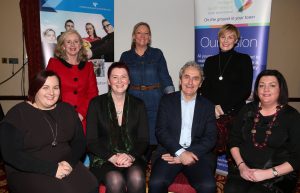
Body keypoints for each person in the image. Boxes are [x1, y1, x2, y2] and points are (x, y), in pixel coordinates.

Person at [0, 70, 98, 193]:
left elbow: (80, 141)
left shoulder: (67, 110)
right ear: (35, 89)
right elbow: (11, 155)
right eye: (45, 87)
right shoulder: (17, 114)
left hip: (64, 162)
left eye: (56, 88)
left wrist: (69, 162)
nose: (51, 93)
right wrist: (52, 169)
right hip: (29, 168)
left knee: (91, 185)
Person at [224, 69, 300, 193]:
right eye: (261, 85)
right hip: (244, 169)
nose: (266, 89)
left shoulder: (292, 116)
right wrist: (242, 166)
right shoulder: (247, 109)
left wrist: (267, 173)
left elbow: (297, 157)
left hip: (277, 175)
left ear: (280, 89)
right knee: (231, 190)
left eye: (272, 85)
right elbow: (234, 139)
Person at [149, 61, 217, 193]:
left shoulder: (208, 106)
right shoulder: (166, 101)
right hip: (169, 152)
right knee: (156, 183)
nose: (190, 82)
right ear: (180, 80)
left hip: (197, 155)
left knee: (208, 186)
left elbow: (210, 138)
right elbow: (161, 131)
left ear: (201, 83)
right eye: (186, 77)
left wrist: (187, 154)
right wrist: (180, 152)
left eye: (195, 78)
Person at [86, 62, 149, 193]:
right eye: (115, 77)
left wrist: (130, 156)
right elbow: (91, 141)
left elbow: (144, 139)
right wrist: (112, 157)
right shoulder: (96, 104)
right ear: (109, 81)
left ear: (129, 80)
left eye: (123, 77)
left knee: (137, 178)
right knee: (115, 180)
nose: (119, 81)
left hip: (132, 157)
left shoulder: (139, 105)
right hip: (104, 158)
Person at [120, 22, 175, 153]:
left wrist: (172, 100)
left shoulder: (157, 54)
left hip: (155, 101)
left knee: (155, 140)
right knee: (135, 138)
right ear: (134, 36)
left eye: (146, 33)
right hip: (133, 101)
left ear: (149, 37)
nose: (143, 36)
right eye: (139, 32)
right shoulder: (125, 56)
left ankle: (154, 168)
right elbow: (120, 79)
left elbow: (165, 78)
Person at [46, 29, 98, 133]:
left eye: (76, 41)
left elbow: (93, 94)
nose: (72, 44)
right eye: (68, 42)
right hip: (59, 118)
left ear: (80, 46)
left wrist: (81, 114)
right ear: (63, 46)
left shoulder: (88, 67)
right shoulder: (54, 64)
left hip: (82, 120)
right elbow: (47, 90)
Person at [201, 24, 253, 118]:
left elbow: (245, 89)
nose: (225, 40)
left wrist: (224, 108)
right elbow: (205, 89)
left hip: (236, 113)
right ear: (219, 39)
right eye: (223, 37)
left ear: (236, 40)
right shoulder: (210, 61)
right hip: (213, 112)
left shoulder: (244, 59)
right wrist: (213, 107)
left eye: (230, 37)